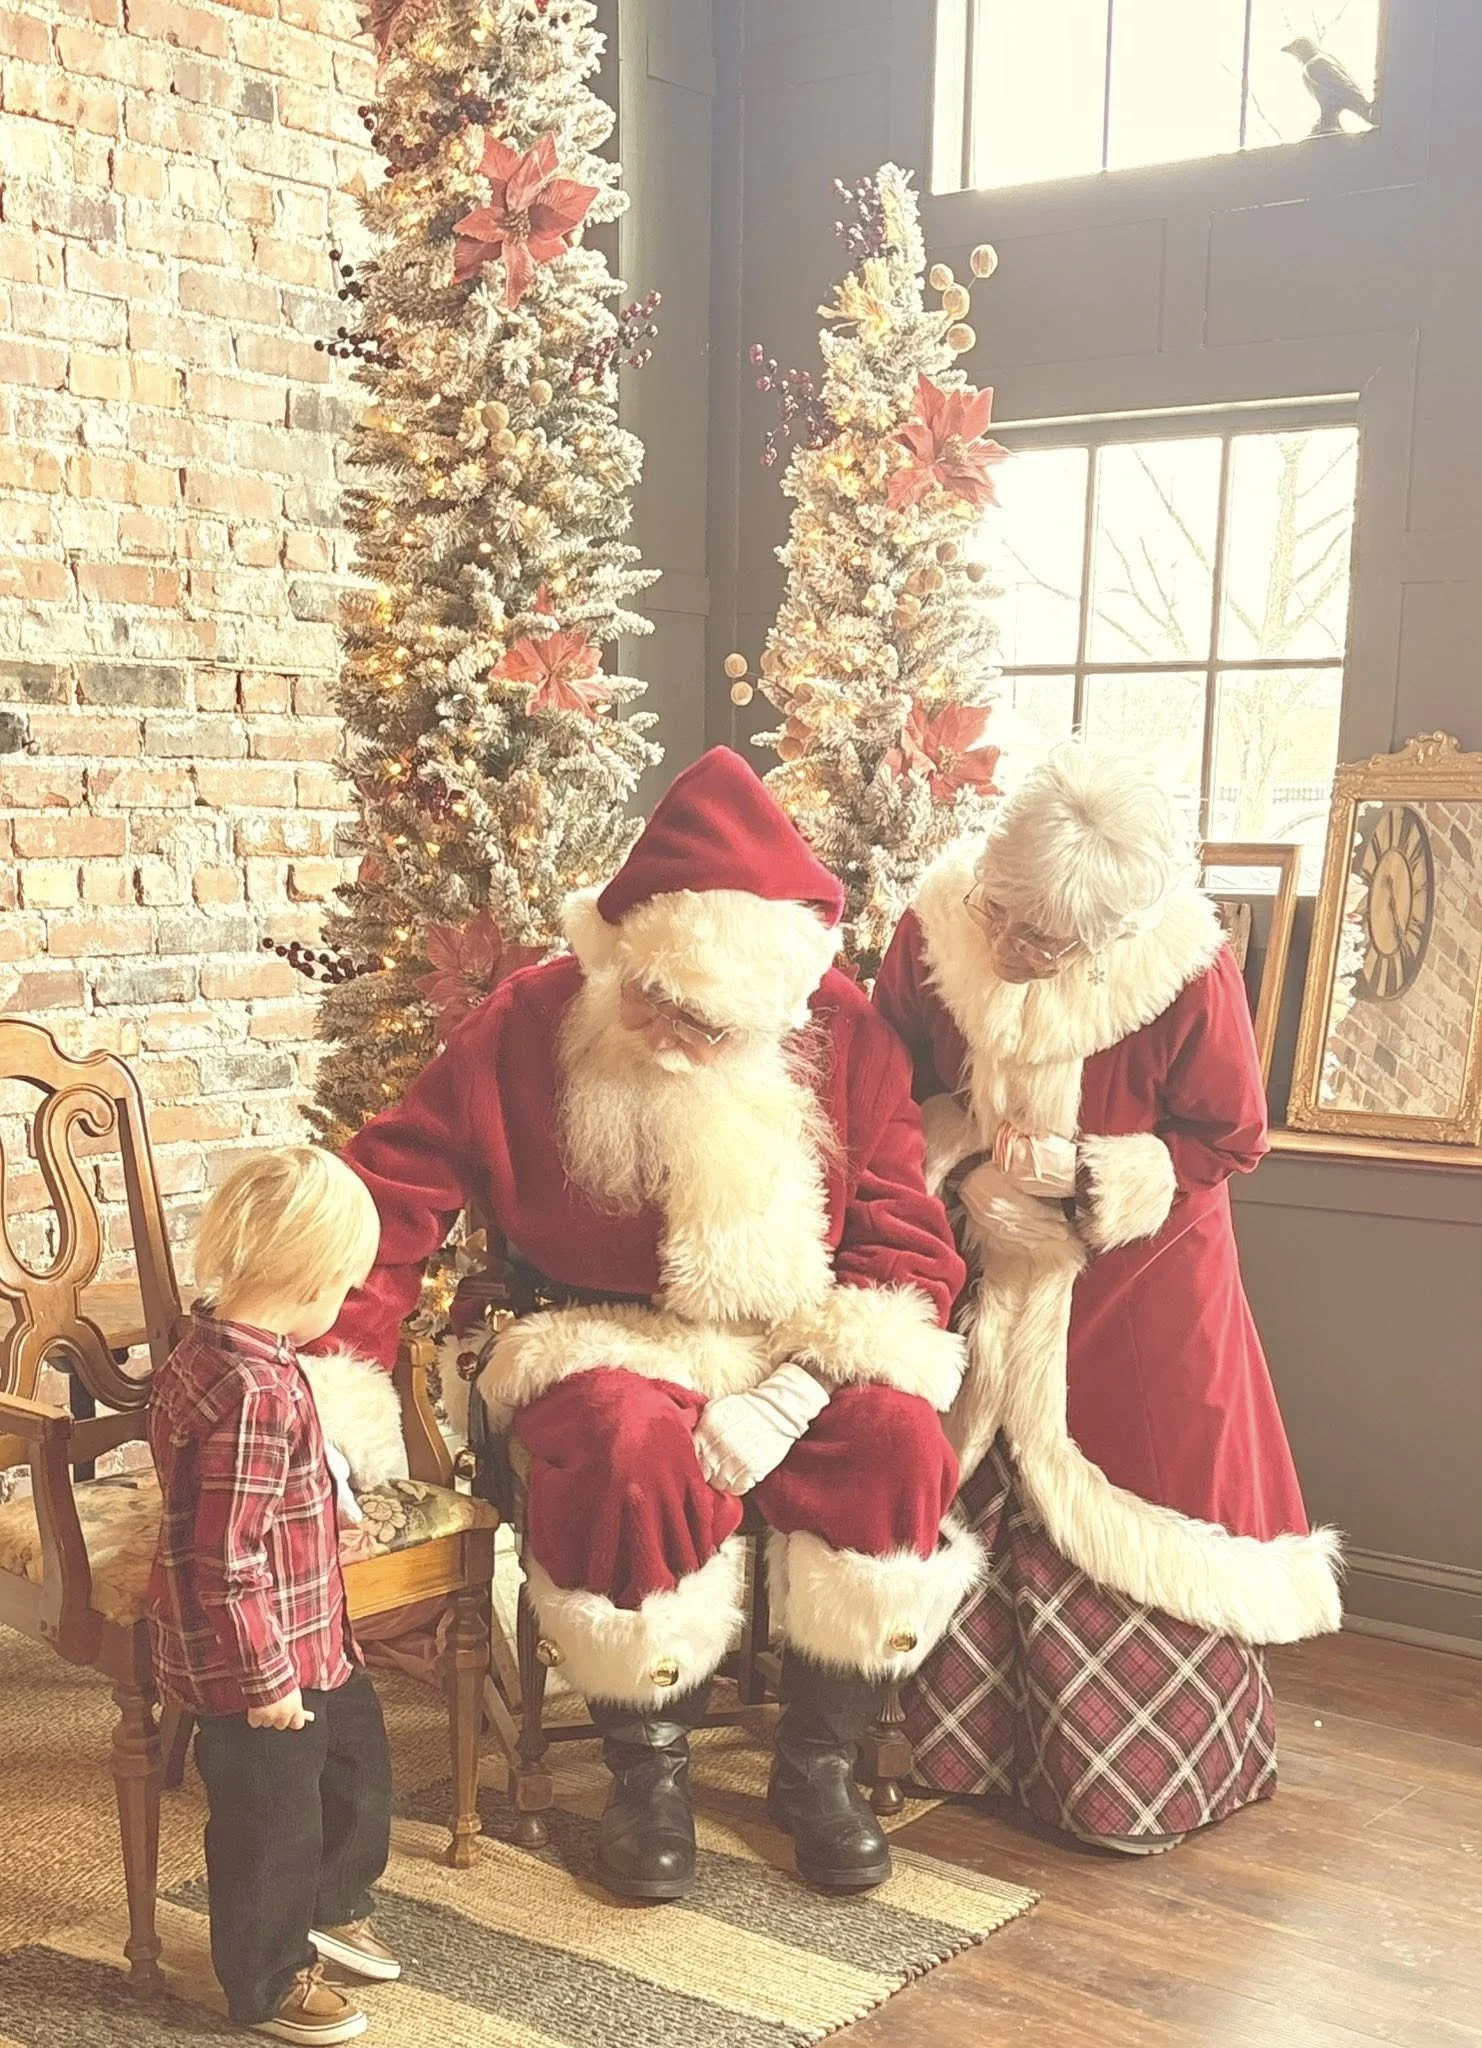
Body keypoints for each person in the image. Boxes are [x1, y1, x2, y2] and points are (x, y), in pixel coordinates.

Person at [316, 747, 980, 1900]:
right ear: (616, 948)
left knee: (898, 1443)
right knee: (627, 1445)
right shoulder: (528, 1019)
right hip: (584, 1327)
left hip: (793, 1338)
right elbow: (388, 1191)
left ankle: (816, 1765)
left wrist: (796, 1391)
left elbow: (905, 1246)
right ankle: (648, 1771)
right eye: (654, 1000)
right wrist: (336, 1375)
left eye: (708, 1024)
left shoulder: (846, 1035)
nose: (674, 1036)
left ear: (775, 1008)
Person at [872, 740, 1342, 1853]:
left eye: (1050, 941)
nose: (1018, 949)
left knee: (1129, 1503)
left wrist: (1091, 1176)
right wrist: (966, 1166)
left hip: (1139, 1280)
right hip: (976, 1255)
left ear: (1113, 937)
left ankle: (1129, 1779)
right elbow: (887, 1083)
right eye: (1008, 918)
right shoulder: (938, 925)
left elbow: (1227, 1136)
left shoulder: (1187, 972)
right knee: (966, 1483)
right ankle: (961, 1753)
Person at [147, 1148, 399, 2044]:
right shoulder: (252, 1388)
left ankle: (329, 1902)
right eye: (348, 1286)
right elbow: (223, 1556)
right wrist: (265, 1681)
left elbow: (265, 1495)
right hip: (254, 1659)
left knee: (357, 1766)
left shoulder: (227, 1342)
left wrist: (330, 1522)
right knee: (268, 1822)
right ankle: (266, 1977)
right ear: (315, 1280)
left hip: (307, 1625)